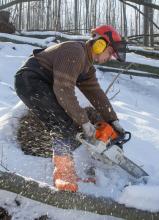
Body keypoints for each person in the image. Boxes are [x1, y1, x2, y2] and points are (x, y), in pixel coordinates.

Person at [14, 25, 127, 192]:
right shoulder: (75, 52)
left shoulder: (86, 65)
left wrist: (113, 120)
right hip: (31, 81)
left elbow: (96, 93)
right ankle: (63, 177)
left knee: (69, 126)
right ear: (99, 44)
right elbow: (63, 90)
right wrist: (85, 121)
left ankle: (67, 171)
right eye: (110, 52)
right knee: (62, 125)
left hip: (43, 84)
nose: (110, 57)